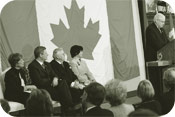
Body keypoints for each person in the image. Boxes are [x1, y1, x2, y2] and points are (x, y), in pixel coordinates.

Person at [28, 46, 74, 115]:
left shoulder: (47, 64)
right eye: (46, 53)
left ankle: (67, 110)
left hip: (52, 86)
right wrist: (51, 81)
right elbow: (38, 81)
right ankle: (69, 107)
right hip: (43, 88)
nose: (48, 55)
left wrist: (55, 78)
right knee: (64, 92)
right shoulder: (32, 66)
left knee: (63, 84)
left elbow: (54, 74)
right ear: (40, 55)